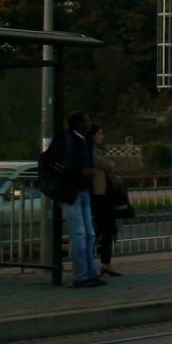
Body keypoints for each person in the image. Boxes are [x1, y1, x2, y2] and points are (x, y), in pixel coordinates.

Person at [60, 111, 103, 288]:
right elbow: (62, 166)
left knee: (89, 234)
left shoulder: (83, 140)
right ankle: (80, 275)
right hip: (72, 191)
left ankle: (90, 272)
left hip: (84, 190)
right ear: (78, 124)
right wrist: (80, 172)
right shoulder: (68, 141)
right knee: (79, 234)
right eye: (86, 121)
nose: (89, 124)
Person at [89, 124, 123, 278]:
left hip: (104, 194)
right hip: (98, 195)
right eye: (99, 134)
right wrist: (110, 164)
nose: (102, 136)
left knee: (108, 228)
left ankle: (106, 262)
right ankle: (91, 263)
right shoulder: (89, 151)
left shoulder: (97, 151)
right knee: (98, 230)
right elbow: (105, 164)